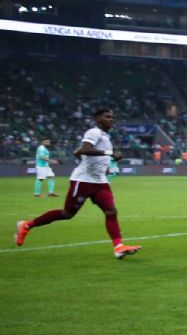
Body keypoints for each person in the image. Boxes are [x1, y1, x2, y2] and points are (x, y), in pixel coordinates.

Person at [15, 109, 142, 259]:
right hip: (83, 181)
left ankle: (119, 247)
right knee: (67, 214)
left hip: (100, 181)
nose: (111, 119)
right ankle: (27, 226)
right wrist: (109, 154)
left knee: (111, 211)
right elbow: (84, 149)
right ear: (98, 119)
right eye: (107, 117)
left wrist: (102, 167)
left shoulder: (106, 137)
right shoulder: (93, 132)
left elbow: (78, 152)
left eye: (112, 117)